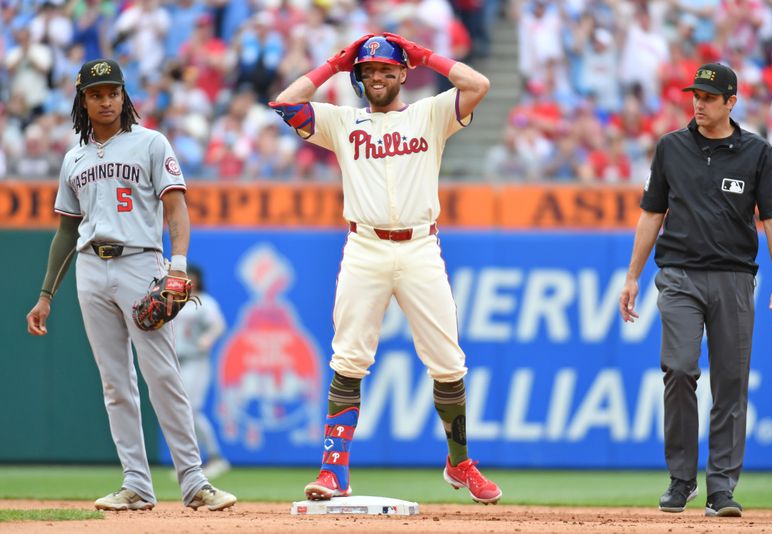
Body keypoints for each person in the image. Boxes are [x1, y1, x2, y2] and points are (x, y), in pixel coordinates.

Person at [269, 34, 501, 504]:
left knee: (448, 363)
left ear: (403, 73)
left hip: (419, 246)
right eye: (369, 70)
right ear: (359, 77)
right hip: (365, 246)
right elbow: (286, 101)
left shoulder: (428, 114)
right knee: (349, 358)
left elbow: (478, 84)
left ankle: (459, 463)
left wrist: (423, 54)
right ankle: (334, 471)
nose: (377, 77)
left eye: (387, 69)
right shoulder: (342, 121)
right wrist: (334, 63)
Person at [25, 58, 237, 512]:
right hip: (89, 266)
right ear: (83, 101)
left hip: (140, 262)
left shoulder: (151, 143)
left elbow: (176, 209)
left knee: (162, 374)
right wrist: (46, 295)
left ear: (125, 96)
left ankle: (195, 481)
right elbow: (66, 230)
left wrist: (177, 265)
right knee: (115, 383)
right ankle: (137, 484)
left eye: (113, 92)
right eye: (96, 94)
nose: (106, 100)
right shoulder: (74, 158)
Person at [618, 63, 772, 518]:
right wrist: (632, 276)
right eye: (695, 94)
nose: (699, 102)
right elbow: (651, 214)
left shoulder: (757, 152)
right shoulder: (671, 148)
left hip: (735, 277)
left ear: (731, 102)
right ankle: (681, 480)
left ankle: (721, 488)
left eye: (709, 97)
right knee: (678, 369)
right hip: (678, 274)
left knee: (731, 385)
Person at [173, 264, 230, 479]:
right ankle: (189, 463)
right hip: (174, 361)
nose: (189, 281)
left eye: (192, 277)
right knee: (179, 412)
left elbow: (218, 325)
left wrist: (208, 338)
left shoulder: (205, 302)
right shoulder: (171, 300)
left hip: (195, 360)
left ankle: (215, 457)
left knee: (191, 409)